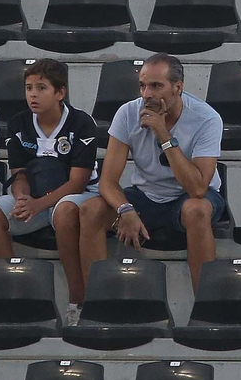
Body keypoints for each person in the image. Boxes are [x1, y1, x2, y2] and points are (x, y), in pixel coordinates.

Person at [79, 54, 224, 290]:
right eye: (143, 86)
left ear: (178, 87)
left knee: (196, 210)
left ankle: (204, 307)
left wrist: (164, 136)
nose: (147, 94)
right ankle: (94, 302)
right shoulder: (127, 113)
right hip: (145, 195)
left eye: (156, 86)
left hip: (190, 196)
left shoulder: (206, 118)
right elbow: (107, 182)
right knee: (90, 209)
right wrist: (125, 210)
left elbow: (197, 188)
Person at [0, 58, 101, 322]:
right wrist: (22, 198)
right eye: (28, 87)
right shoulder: (18, 123)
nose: (32, 94)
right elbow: (18, 173)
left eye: (41, 87)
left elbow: (77, 183)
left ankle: (77, 302)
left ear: (60, 93)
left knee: (65, 212)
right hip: (35, 197)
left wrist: (38, 205)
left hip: (77, 196)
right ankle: (15, 298)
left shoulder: (81, 123)